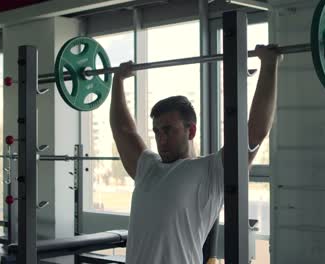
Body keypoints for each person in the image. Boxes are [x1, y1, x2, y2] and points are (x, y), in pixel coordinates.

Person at [109, 45, 281, 264]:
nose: (161, 139)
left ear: (191, 130)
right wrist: (118, 81)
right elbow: (123, 131)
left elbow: (255, 131)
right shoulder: (147, 167)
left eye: (169, 130)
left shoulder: (211, 171)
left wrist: (269, 65)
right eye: (157, 131)